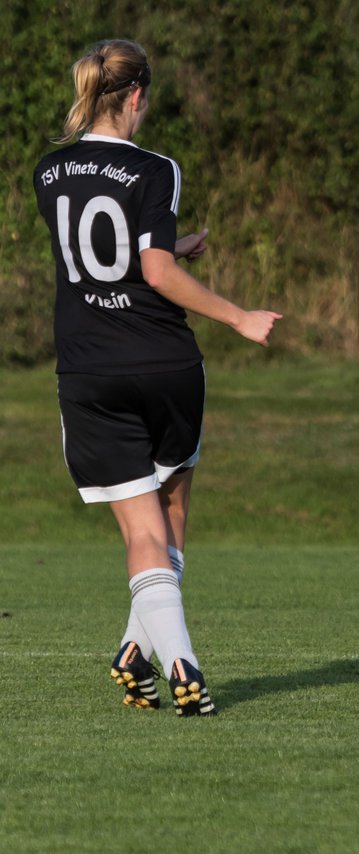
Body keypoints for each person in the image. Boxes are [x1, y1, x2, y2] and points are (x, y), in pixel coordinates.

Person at [33, 39, 282, 714]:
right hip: (165, 364)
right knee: (170, 515)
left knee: (143, 531)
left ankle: (165, 658)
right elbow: (152, 272)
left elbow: (95, 255)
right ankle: (163, 659)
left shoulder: (48, 171)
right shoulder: (157, 169)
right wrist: (238, 317)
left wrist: (172, 246)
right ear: (137, 96)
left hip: (89, 370)